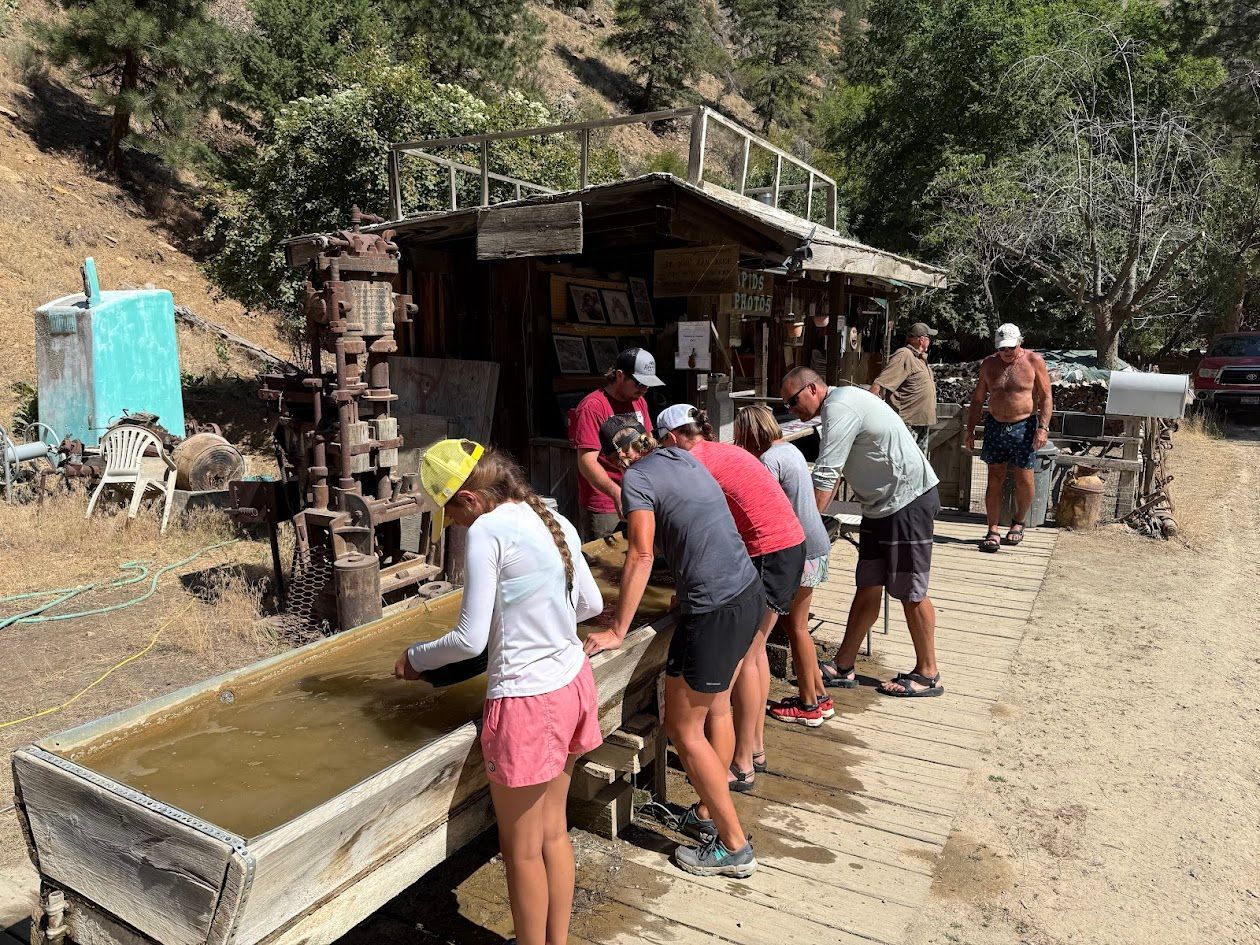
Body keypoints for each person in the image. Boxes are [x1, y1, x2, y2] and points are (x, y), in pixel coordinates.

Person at [394, 440, 604, 945]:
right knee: (554, 832)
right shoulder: (549, 516)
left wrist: (415, 658)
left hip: (528, 703)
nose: (457, 526)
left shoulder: (487, 530)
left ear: (467, 499)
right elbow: (589, 603)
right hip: (573, 681)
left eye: (452, 515)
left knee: (521, 850)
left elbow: (469, 640)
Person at [582, 416, 760, 879]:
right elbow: (697, 523)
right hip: (744, 593)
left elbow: (640, 553)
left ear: (614, 457)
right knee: (712, 709)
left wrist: (618, 630)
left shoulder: (637, 478)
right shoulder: (680, 456)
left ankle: (734, 846)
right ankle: (708, 814)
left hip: (714, 611)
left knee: (682, 729)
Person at [655, 404, 805, 789]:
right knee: (755, 654)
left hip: (768, 551)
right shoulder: (726, 449)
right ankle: (753, 748)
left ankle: (739, 763)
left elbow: (695, 530)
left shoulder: (693, 465)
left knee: (741, 660)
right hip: (786, 545)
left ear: (671, 439)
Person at [780, 367, 945, 698]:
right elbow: (833, 473)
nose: (790, 409)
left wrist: (802, 533)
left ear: (812, 389)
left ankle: (928, 673)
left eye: (792, 401)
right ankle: (843, 665)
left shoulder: (839, 406)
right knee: (868, 585)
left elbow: (827, 475)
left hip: (907, 499)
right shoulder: (835, 407)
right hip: (880, 505)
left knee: (910, 589)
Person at [733, 404, 834, 728]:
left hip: (800, 546)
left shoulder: (768, 461)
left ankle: (808, 705)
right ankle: (818, 694)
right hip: (817, 541)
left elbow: (760, 507)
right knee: (796, 626)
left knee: (796, 628)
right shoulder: (788, 450)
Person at [964, 324, 1053, 552]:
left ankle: (1019, 521)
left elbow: (1045, 397)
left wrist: (1043, 427)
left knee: (1024, 478)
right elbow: (978, 398)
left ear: (1019, 342)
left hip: (1024, 425)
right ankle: (992, 529)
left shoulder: (1034, 361)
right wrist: (970, 429)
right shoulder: (989, 363)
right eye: (1002, 348)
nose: (1006, 352)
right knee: (994, 478)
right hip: (995, 425)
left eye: (1010, 348)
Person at [567, 347, 663, 541]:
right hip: (607, 502)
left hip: (639, 494)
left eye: (648, 385)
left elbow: (648, 443)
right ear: (620, 375)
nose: (644, 390)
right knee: (607, 566)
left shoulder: (639, 401)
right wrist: (615, 493)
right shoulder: (593, 407)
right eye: (639, 383)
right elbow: (587, 462)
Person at [870, 322, 939, 452]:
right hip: (908, 423)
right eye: (929, 337)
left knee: (918, 465)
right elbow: (880, 382)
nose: (930, 341)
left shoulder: (920, 359)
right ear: (922, 340)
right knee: (904, 464)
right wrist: (867, 414)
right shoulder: (904, 354)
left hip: (921, 422)